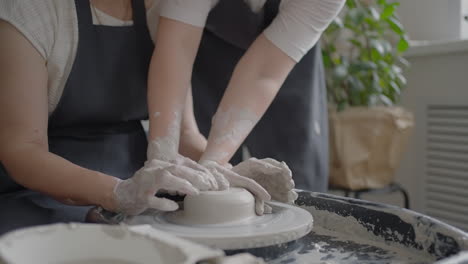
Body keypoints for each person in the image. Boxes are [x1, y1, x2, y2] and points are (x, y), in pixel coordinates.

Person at [0, 0, 343, 235]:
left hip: (135, 183)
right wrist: (116, 192)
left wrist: (221, 170)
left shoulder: (158, 10)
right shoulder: (32, 11)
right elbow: (22, 151)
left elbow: (183, 136)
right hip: (37, 189)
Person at [192, 0, 331, 192]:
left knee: (294, 177)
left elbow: (264, 74)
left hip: (289, 47)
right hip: (208, 40)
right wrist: (210, 161)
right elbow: (175, 42)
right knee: (198, 170)